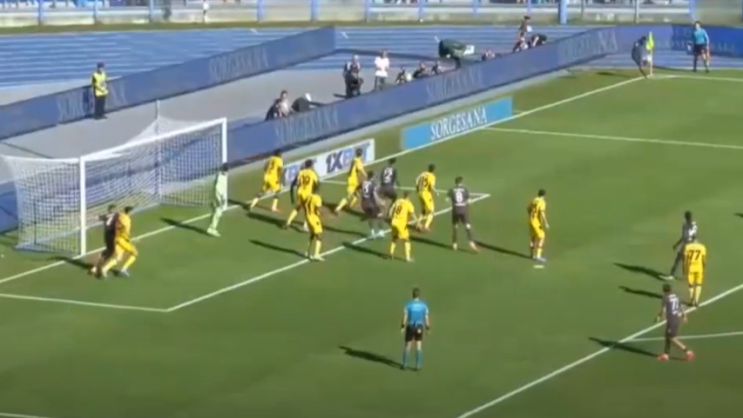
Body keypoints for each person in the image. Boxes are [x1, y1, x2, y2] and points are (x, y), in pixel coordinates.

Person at [655, 283, 694, 362]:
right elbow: (681, 306)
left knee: (672, 338)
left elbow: (663, 309)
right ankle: (666, 354)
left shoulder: (665, 297)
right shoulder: (676, 296)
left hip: (671, 319)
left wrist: (659, 317)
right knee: (667, 336)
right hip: (676, 317)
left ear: (664, 290)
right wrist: (684, 315)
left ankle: (687, 352)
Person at [100, 206, 137, 278]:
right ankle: (124, 269)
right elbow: (126, 232)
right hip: (123, 240)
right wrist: (129, 239)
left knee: (118, 258)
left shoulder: (120, 216)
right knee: (135, 254)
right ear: (129, 212)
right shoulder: (127, 221)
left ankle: (104, 269)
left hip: (116, 239)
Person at [401, 287, 430, 371]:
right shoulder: (424, 305)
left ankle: (405, 364)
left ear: (412, 295)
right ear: (419, 295)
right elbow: (426, 318)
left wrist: (402, 327)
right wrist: (428, 328)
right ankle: (417, 365)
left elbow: (405, 317)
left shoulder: (408, 305)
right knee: (419, 346)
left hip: (410, 326)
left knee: (407, 346)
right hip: (419, 327)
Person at [285, 159, 318, 232]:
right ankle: (305, 226)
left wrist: (292, 197)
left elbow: (293, 184)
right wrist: (315, 193)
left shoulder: (300, 172)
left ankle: (288, 222)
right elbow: (316, 184)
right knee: (309, 210)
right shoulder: (313, 173)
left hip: (300, 193)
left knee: (297, 208)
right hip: (308, 194)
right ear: (311, 166)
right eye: (312, 165)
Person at [667, 211, 698, 280]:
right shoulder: (694, 224)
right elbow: (695, 235)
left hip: (687, 245)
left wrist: (676, 244)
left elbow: (684, 237)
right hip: (693, 244)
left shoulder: (685, 225)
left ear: (685, 217)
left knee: (678, 260)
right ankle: (691, 276)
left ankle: (671, 275)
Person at [449, 177, 477, 252]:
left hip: (455, 210)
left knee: (455, 227)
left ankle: (454, 244)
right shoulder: (465, 189)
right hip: (463, 210)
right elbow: (469, 201)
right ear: (461, 182)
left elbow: (448, 199)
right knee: (467, 226)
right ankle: (471, 243)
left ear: (455, 182)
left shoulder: (452, 190)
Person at [334, 148, 366, 214]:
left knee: (356, 196)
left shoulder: (354, 160)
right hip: (353, 182)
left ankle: (348, 207)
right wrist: (367, 176)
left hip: (352, 180)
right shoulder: (358, 161)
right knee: (348, 197)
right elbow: (361, 170)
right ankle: (338, 208)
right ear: (361, 154)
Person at [88, 204, 118, 276]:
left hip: (106, 235)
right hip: (112, 235)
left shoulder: (106, 216)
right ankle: (97, 267)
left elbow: (97, 217)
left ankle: (96, 265)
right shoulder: (117, 215)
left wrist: (89, 217)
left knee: (108, 250)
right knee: (110, 252)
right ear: (113, 210)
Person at [389, 191, 417, 262]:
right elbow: (412, 214)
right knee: (406, 239)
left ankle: (391, 253)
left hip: (393, 221)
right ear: (408, 197)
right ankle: (408, 258)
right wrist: (418, 222)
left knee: (394, 237)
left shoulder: (399, 200)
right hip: (401, 223)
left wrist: (390, 216)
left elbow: (392, 208)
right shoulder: (409, 204)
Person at [358, 171, 384, 239]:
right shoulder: (372, 184)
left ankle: (372, 233)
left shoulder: (363, 183)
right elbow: (375, 195)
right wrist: (380, 202)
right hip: (371, 204)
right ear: (372, 177)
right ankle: (381, 232)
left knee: (369, 217)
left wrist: (358, 195)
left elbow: (357, 189)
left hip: (364, 204)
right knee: (380, 215)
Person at [683, 236, 707, 308]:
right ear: (697, 240)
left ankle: (691, 300)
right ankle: (696, 300)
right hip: (699, 268)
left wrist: (684, 268)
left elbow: (685, 259)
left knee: (690, 285)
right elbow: (703, 259)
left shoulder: (687, 247)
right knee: (698, 284)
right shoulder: (702, 247)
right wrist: (704, 267)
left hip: (690, 267)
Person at [206, 163, 229, 237]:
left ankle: (211, 227)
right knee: (217, 213)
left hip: (215, 196)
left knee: (215, 212)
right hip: (217, 197)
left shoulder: (219, 175)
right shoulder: (221, 177)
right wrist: (221, 199)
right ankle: (211, 228)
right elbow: (218, 189)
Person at [304, 183, 325, 261]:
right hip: (314, 218)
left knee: (312, 235)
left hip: (308, 217)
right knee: (319, 235)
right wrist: (321, 214)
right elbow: (318, 208)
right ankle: (316, 254)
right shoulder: (317, 198)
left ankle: (307, 252)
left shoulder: (308, 196)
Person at [528, 189, 549, 264]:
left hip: (530, 220)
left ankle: (532, 254)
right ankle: (538, 256)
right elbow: (542, 213)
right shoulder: (542, 202)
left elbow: (528, 208)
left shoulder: (534, 200)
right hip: (536, 222)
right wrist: (546, 223)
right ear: (544, 195)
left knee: (533, 237)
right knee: (542, 237)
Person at [415, 164, 437, 232]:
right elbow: (431, 186)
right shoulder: (432, 176)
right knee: (431, 211)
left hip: (420, 193)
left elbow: (416, 181)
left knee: (423, 210)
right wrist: (436, 192)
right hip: (426, 194)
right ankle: (426, 226)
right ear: (433, 170)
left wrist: (417, 189)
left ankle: (418, 224)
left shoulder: (423, 174)